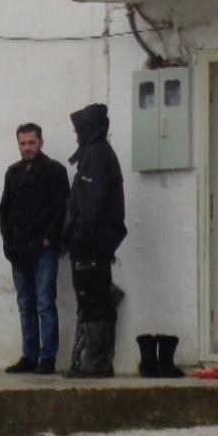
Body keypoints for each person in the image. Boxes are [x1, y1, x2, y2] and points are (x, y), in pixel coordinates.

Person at [0, 123, 68, 375]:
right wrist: (8, 241)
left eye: (31, 143)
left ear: (41, 142)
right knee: (25, 303)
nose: (27, 148)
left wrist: (50, 238)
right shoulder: (13, 173)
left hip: (43, 248)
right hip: (19, 249)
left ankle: (47, 357)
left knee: (44, 303)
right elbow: (4, 209)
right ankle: (29, 355)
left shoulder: (55, 171)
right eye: (23, 143)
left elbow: (63, 208)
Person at [64, 104, 127, 378]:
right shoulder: (100, 153)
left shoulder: (96, 155)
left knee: (93, 300)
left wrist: (79, 236)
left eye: (78, 129)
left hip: (91, 243)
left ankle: (95, 362)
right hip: (98, 241)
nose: (76, 134)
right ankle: (98, 361)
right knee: (97, 299)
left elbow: (92, 202)